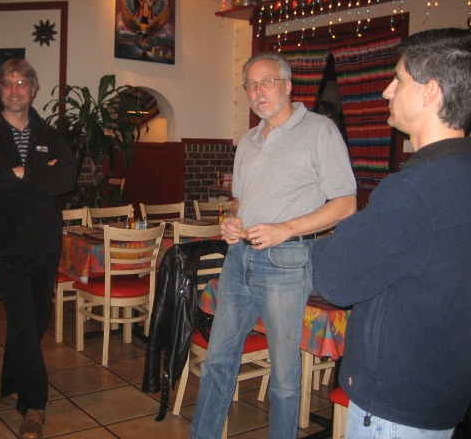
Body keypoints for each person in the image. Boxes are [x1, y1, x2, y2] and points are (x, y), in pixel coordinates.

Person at [312, 28, 471, 438]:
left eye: (398, 80)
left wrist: (325, 242)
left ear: (430, 92)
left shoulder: (415, 189)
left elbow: (335, 279)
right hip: (443, 387)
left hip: (396, 403)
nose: (386, 91)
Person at [190, 51, 357, 439]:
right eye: (250, 85)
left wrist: (285, 229)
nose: (258, 91)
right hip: (239, 257)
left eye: (267, 81)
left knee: (283, 375)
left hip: (287, 260)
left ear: (288, 85)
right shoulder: (248, 140)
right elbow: (239, 200)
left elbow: (346, 204)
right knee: (217, 362)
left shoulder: (320, 130)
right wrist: (231, 219)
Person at [0, 59, 76, 439]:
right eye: (7, 84)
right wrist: (40, 174)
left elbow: (67, 177)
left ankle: (10, 381)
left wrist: (20, 173)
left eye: (21, 83)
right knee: (24, 320)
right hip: (3, 243)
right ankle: (34, 404)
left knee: (35, 317)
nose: (14, 91)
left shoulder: (49, 133)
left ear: (33, 89)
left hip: (44, 242)